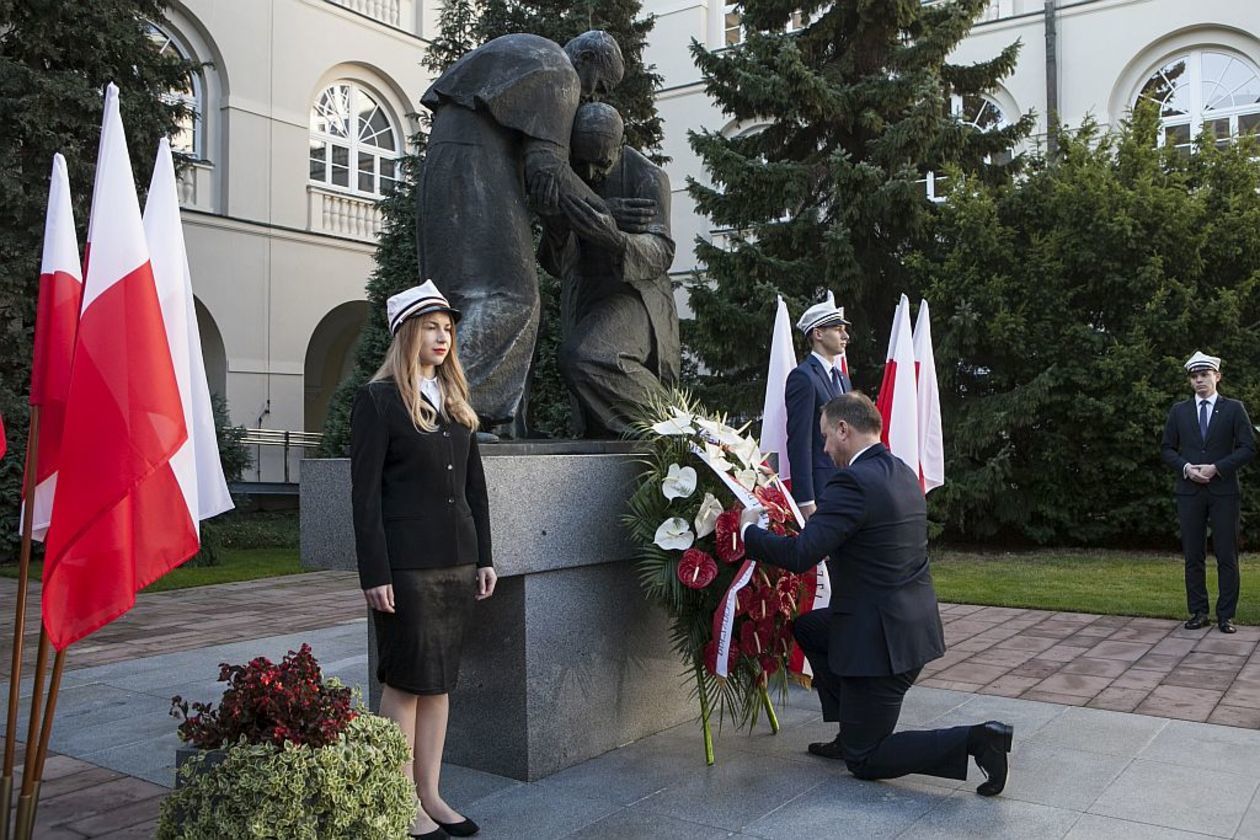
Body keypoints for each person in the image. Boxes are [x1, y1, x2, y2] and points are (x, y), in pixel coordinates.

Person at [740, 393, 1014, 796]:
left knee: (865, 759)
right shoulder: (900, 471)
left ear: (843, 429)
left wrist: (749, 532)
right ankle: (849, 726)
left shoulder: (851, 482)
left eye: (825, 437)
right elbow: (844, 537)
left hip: (882, 647)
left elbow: (801, 555)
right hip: (909, 626)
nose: (824, 448)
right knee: (812, 628)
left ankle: (978, 739)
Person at [418, 31, 624, 437]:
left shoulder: (530, 52)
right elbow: (547, 169)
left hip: (451, 166)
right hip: (476, 169)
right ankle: (451, 412)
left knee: (461, 297)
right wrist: (608, 214)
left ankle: (504, 423)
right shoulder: (560, 71)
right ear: (584, 58)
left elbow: (540, 175)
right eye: (597, 84)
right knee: (509, 295)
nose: (589, 96)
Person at [351, 281, 498, 839]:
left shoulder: (457, 401)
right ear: (408, 333)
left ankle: (430, 795)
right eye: (432, 327)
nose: (443, 337)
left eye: (448, 328)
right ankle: (399, 800)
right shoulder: (378, 400)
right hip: (406, 567)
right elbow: (363, 497)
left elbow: (475, 489)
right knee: (407, 683)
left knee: (439, 684)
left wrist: (484, 555)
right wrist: (375, 573)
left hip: (457, 561)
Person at [538, 102, 680, 436]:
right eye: (581, 161)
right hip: (587, 296)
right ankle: (664, 439)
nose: (588, 174)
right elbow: (557, 265)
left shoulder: (647, 177)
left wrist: (614, 239)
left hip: (635, 295)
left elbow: (661, 252)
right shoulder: (565, 174)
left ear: (621, 144)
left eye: (600, 163)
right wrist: (555, 223)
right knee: (587, 386)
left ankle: (682, 434)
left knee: (585, 356)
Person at [1160, 351, 1255, 634]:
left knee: (1227, 554)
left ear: (1217, 376)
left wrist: (1217, 468)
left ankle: (1226, 615)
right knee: (1193, 554)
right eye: (1195, 376)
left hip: (1223, 491)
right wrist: (1187, 468)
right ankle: (1198, 612)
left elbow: (1248, 447)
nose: (1200, 380)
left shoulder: (1234, 408)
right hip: (1190, 491)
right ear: (1190, 380)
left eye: (1205, 375)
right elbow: (1167, 449)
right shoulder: (1179, 411)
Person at [785, 293, 851, 519]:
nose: (845, 336)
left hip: (845, 483)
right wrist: (805, 499)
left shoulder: (842, 378)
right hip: (821, 487)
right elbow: (799, 440)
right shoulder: (803, 377)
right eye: (838, 329)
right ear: (818, 333)